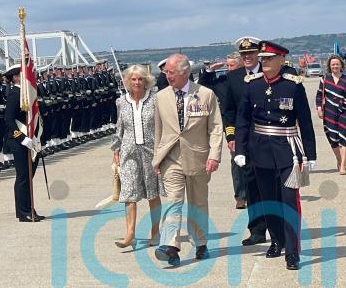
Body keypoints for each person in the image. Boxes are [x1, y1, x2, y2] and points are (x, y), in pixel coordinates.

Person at [234, 41, 316, 271]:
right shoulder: (252, 86)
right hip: (260, 150)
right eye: (264, 58)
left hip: (288, 149)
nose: (265, 62)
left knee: (289, 201)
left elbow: (306, 123)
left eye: (270, 58)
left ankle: (292, 252)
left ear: (282, 60)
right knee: (269, 199)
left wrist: (310, 155)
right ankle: (277, 240)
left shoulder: (293, 86)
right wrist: (240, 150)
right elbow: (242, 121)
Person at [152, 54, 222, 267]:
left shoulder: (205, 94)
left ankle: (200, 243)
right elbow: (158, 130)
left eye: (171, 72)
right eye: (166, 72)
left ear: (184, 72)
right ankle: (170, 245)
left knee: (198, 202)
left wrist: (214, 156)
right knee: (173, 201)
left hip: (198, 158)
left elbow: (216, 127)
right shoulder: (160, 97)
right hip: (171, 158)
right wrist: (157, 159)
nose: (167, 75)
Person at [222, 37, 271, 242]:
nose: (247, 57)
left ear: (258, 54)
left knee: (271, 184)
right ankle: (257, 230)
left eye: (251, 53)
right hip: (246, 139)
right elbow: (228, 110)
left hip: (270, 136)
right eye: (244, 54)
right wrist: (231, 135)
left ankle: (277, 228)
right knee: (251, 184)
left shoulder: (269, 71)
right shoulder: (233, 78)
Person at [110, 65, 162, 250]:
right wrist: (115, 150)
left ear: (146, 80)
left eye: (140, 79)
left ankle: (156, 231)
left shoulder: (155, 100)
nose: (137, 82)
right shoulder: (121, 102)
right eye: (133, 79)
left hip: (151, 152)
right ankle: (129, 234)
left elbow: (161, 126)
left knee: (152, 193)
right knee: (129, 193)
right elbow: (119, 128)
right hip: (129, 152)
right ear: (127, 81)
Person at [4, 65, 44, 223]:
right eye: (22, 74)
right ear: (14, 77)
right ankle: (23, 212)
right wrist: (21, 137)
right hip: (18, 140)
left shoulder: (28, 93)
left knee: (29, 176)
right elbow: (8, 119)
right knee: (23, 177)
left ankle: (30, 209)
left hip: (30, 139)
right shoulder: (15, 94)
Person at [315, 55, 346, 175]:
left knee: (344, 137)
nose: (335, 66)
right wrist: (319, 108)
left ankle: (343, 165)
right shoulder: (324, 79)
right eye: (333, 64)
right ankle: (339, 159)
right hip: (329, 111)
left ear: (341, 65)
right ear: (330, 66)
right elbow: (319, 95)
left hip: (345, 111)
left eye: (337, 64)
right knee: (333, 138)